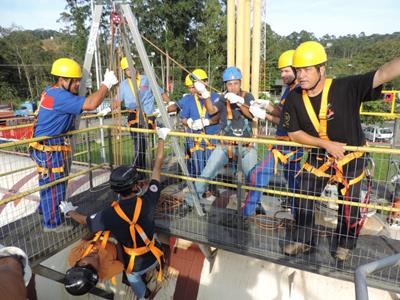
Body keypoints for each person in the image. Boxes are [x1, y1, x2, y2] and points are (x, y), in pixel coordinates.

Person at [281, 40, 400, 260]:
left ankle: (345, 243)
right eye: (298, 70)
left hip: (351, 158)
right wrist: (327, 145)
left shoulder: (346, 88)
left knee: (349, 204)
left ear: (321, 69)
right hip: (320, 156)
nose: (301, 75)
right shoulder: (294, 98)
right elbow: (294, 134)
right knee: (305, 195)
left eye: (307, 69)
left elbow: (383, 73)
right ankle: (303, 240)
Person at [60, 127, 170, 299]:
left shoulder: (109, 215)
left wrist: (69, 211)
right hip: (155, 253)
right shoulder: (148, 199)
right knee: (150, 232)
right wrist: (161, 138)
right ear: (136, 186)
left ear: (116, 190)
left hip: (137, 264)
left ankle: (143, 295)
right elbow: (158, 166)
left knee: (132, 275)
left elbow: (85, 221)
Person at [29, 58, 118, 232]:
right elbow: (91, 103)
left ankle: (46, 211)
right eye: (75, 80)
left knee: (51, 183)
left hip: (48, 145)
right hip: (49, 148)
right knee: (55, 185)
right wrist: (106, 85)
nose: (78, 83)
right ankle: (52, 224)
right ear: (62, 80)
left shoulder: (53, 92)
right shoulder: (60, 96)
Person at [184, 67, 258, 213]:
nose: (232, 87)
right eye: (229, 84)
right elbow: (212, 111)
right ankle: (190, 201)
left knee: (253, 176)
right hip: (225, 145)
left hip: (246, 146)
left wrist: (239, 102)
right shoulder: (223, 98)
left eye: (235, 83)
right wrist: (205, 95)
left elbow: (251, 115)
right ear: (225, 84)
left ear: (240, 82)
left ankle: (256, 204)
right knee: (207, 172)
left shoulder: (247, 96)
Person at [242, 50, 303, 216]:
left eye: (286, 71)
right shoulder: (290, 89)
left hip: (286, 145)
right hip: (289, 144)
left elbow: (287, 121)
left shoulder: (297, 91)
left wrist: (265, 115)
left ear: (297, 70)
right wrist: (267, 105)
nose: (282, 75)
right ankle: (300, 219)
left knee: (257, 174)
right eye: (281, 71)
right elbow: (282, 113)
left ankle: (245, 214)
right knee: (294, 183)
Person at [115, 57, 170, 170]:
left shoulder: (146, 80)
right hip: (133, 116)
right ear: (124, 71)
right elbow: (117, 101)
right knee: (139, 143)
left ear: (135, 67)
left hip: (147, 116)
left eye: (131, 68)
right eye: (126, 70)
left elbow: (160, 92)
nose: (129, 71)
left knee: (142, 143)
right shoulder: (124, 85)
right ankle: (139, 169)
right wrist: (110, 109)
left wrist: (170, 104)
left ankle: (140, 168)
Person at [180, 69, 221, 178]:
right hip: (195, 139)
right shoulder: (189, 99)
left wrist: (208, 122)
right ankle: (198, 189)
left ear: (206, 82)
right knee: (197, 166)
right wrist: (188, 123)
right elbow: (183, 118)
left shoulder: (216, 97)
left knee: (213, 166)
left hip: (212, 138)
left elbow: (220, 116)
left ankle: (212, 189)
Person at [64, 231, 124, 296]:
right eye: (95, 259)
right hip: (115, 242)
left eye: (91, 255)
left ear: (82, 263)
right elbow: (121, 263)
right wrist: (117, 241)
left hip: (99, 235)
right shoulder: (107, 271)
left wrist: (97, 230)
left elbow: (85, 239)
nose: (95, 255)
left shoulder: (73, 256)